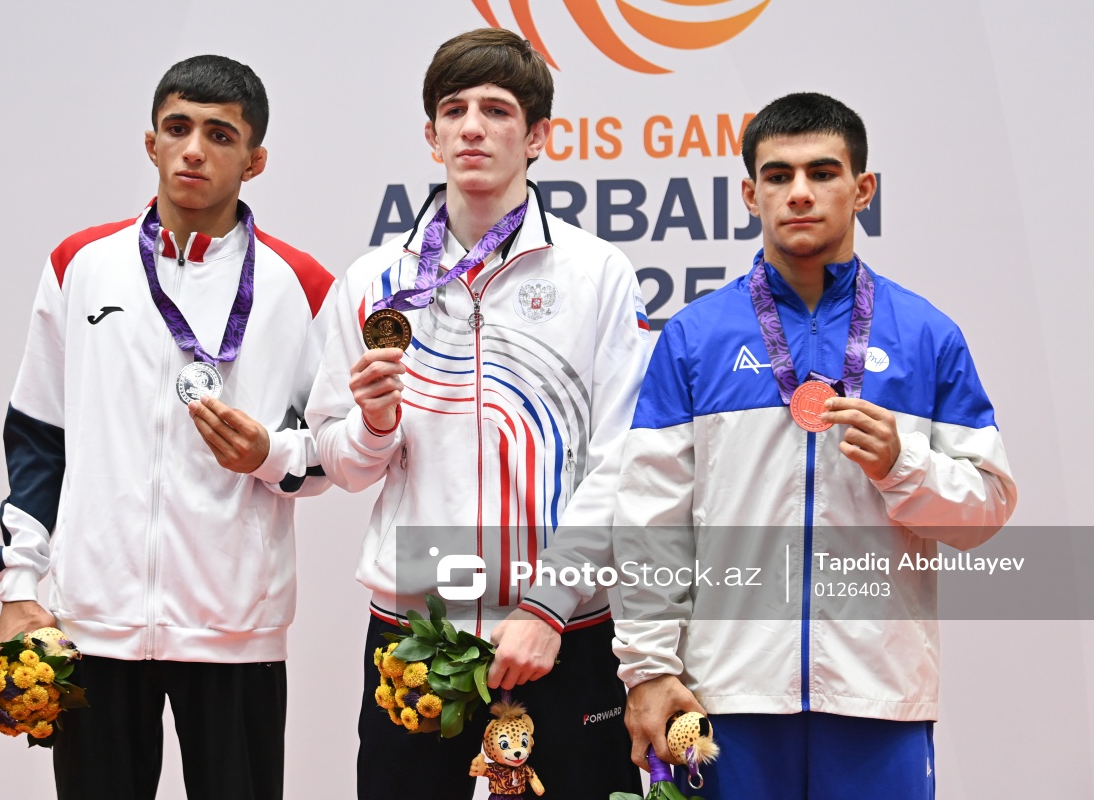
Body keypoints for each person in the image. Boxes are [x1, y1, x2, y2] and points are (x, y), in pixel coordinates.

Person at [612, 92, 1017, 800]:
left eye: (823, 173)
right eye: (778, 176)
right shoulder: (695, 337)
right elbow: (651, 520)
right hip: (725, 696)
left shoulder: (927, 335)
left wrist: (903, 465)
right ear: (751, 194)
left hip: (876, 696)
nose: (799, 193)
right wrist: (648, 669)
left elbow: (985, 509)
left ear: (863, 189)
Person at [305, 27, 646, 800]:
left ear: (538, 137)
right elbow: (342, 463)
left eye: (497, 110)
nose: (472, 128)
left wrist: (548, 608)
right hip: (417, 632)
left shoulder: (597, 274)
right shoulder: (374, 281)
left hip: (564, 630)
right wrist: (374, 425)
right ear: (431, 136)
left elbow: (622, 457)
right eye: (454, 110)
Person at [0, 55, 335, 800]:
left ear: (255, 160)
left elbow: (337, 450)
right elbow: (38, 437)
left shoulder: (302, 286)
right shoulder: (80, 265)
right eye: (177, 129)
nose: (193, 150)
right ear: (151, 144)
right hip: (94, 627)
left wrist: (270, 453)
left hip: (235, 631)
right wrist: (20, 585)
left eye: (220, 134)